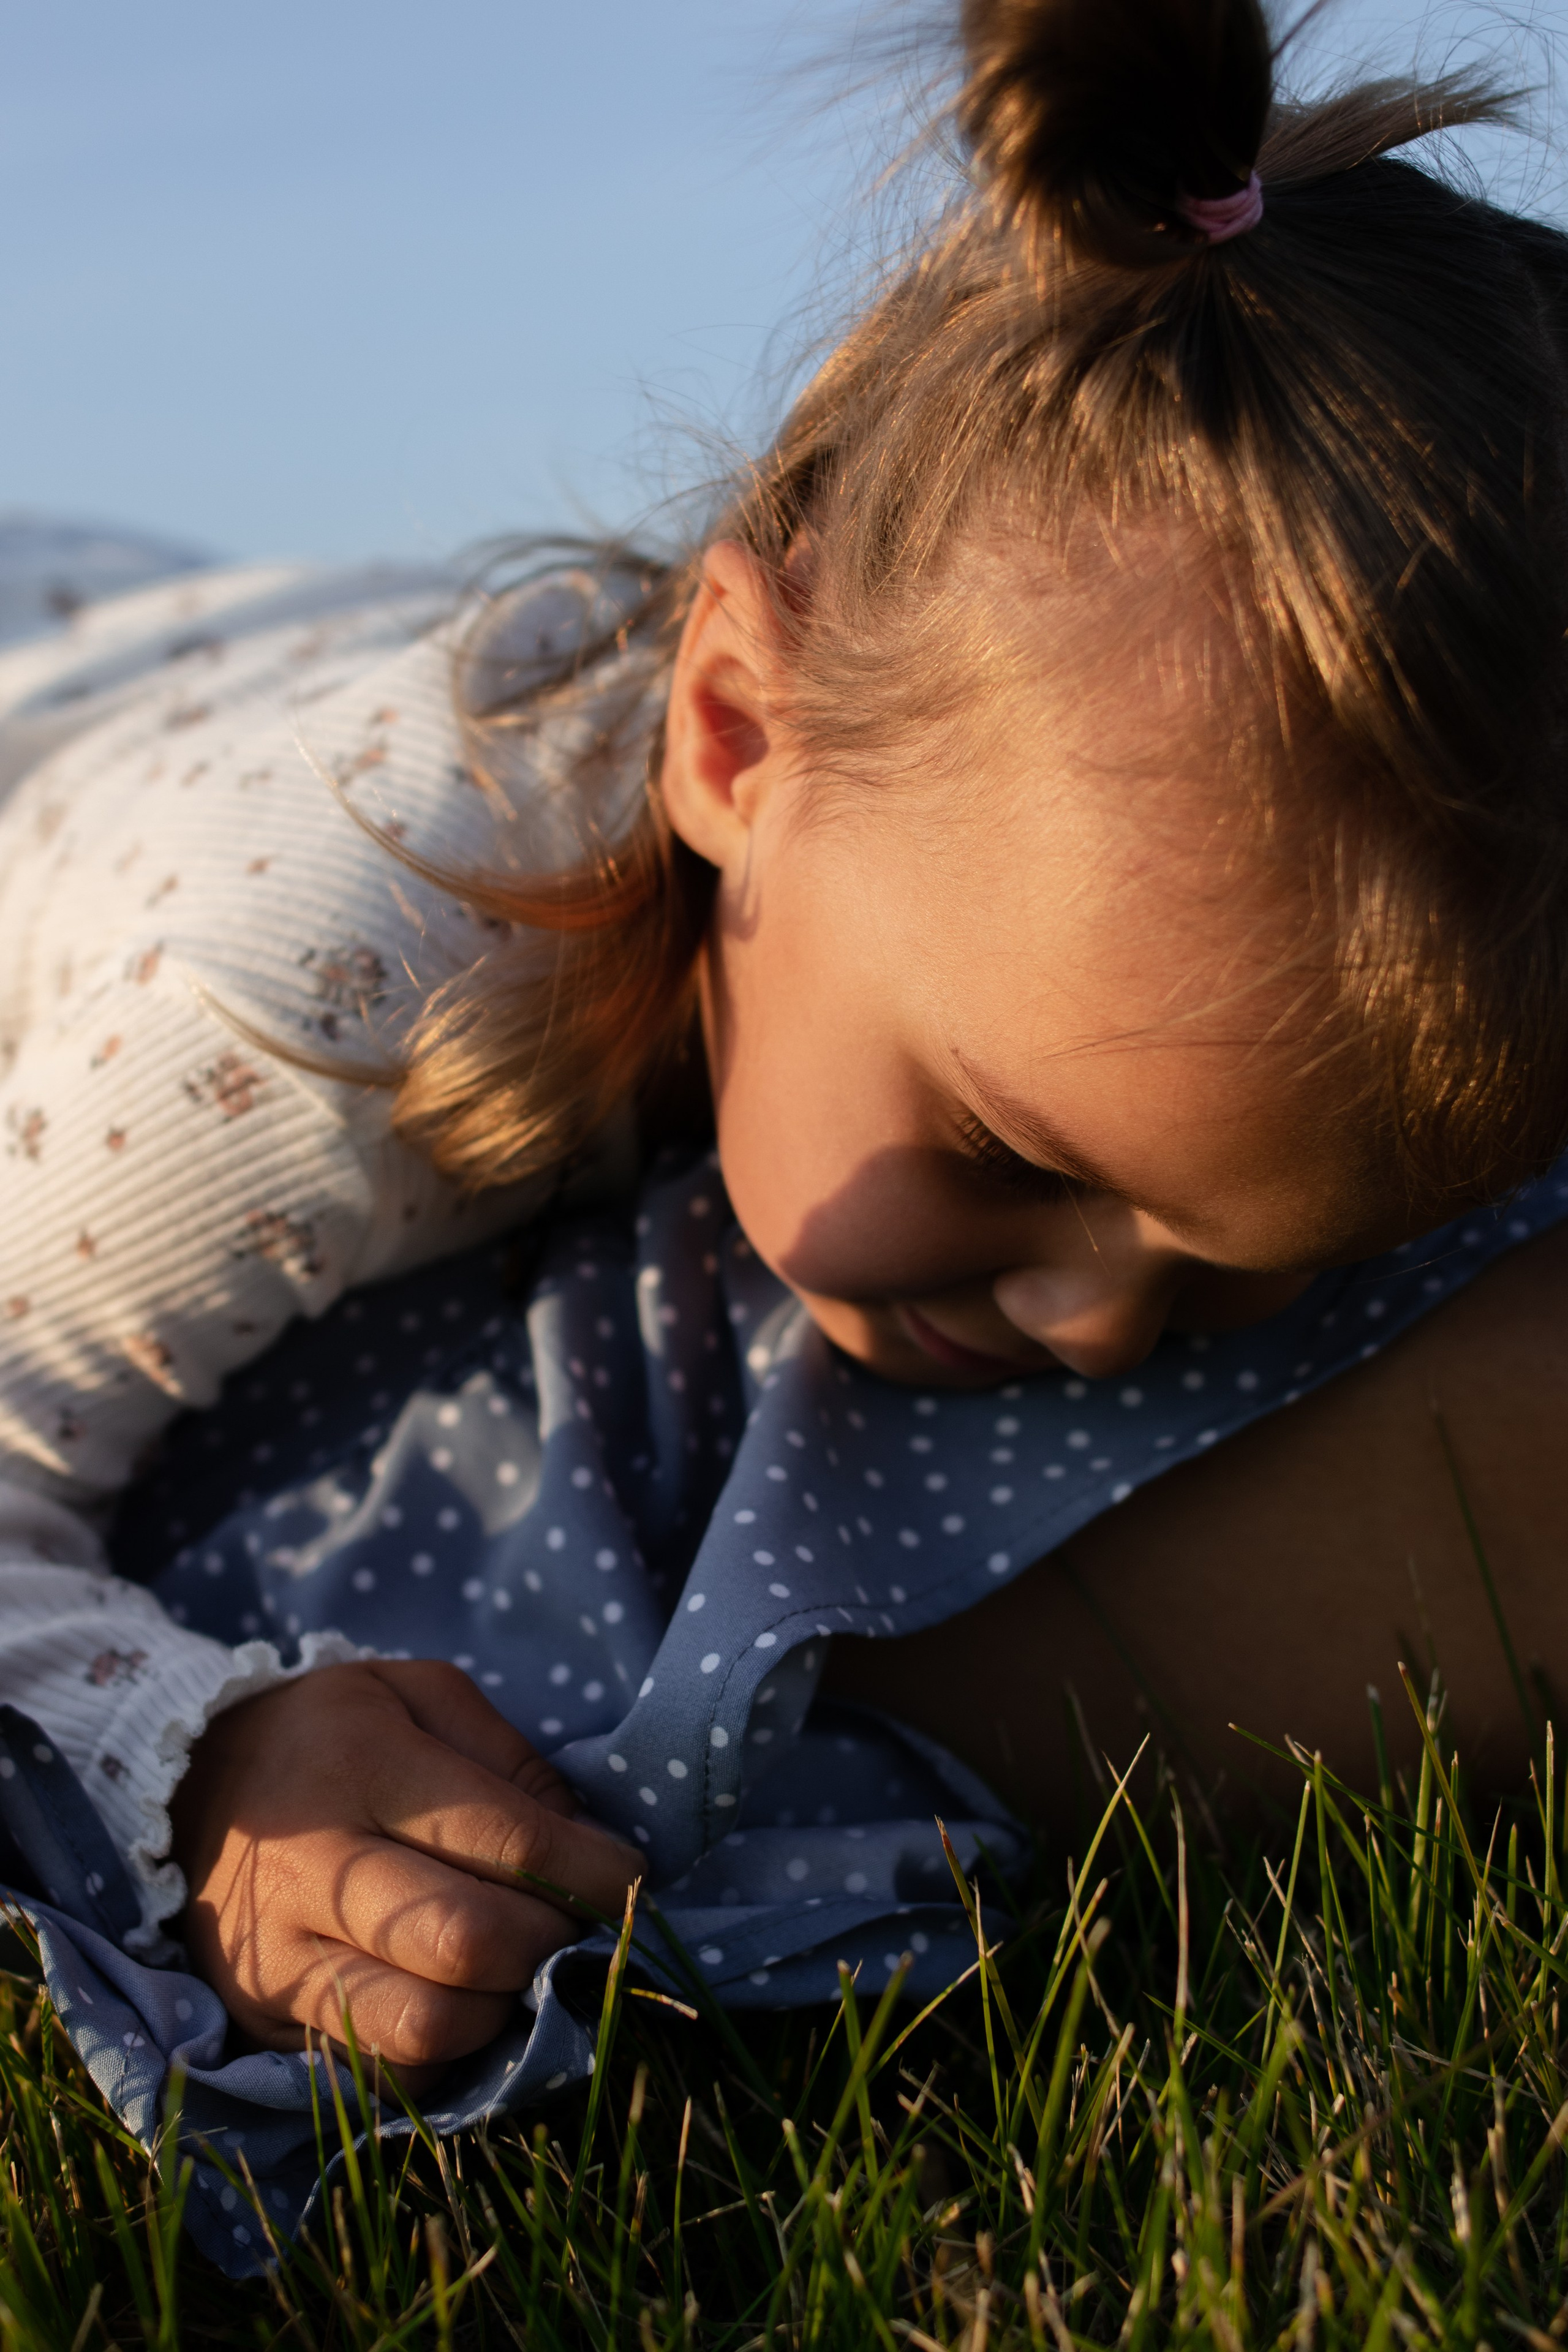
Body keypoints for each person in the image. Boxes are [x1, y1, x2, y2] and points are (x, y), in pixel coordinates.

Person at [4, 0, 1568, 2078]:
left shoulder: (922, 834)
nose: (1103, 1331)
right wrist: (198, 1752)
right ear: (736, 738)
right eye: (1019, 1152)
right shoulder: (308, 984)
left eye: (1261, 1255)